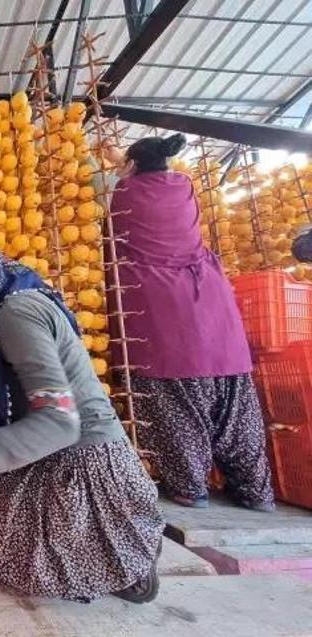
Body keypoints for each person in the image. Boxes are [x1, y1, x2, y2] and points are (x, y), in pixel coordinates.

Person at [0, 222, 164, 604]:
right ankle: (113, 545)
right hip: (55, 447)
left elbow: (60, 423)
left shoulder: (16, 314)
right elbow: (38, 363)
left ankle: (119, 555)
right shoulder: (8, 293)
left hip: (83, 464)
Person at [104, 134, 274, 512]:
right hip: (214, 312)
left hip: (166, 318)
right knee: (236, 410)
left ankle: (189, 487)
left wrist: (120, 165)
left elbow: (121, 192)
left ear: (132, 166)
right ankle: (255, 491)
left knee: (177, 412)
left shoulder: (126, 195)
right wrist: (128, 160)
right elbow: (146, 173)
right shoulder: (183, 188)